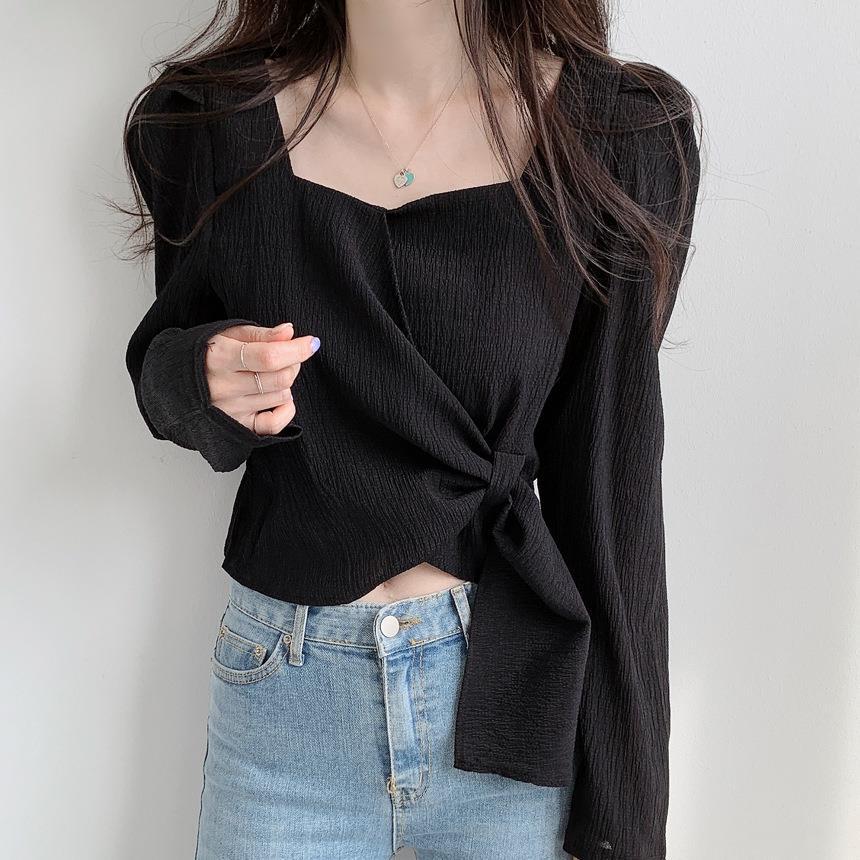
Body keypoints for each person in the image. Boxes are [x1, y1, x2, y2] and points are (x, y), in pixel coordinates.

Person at [122, 2, 701, 857]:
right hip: (286, 696)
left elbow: (610, 489)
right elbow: (164, 362)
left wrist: (625, 818)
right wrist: (206, 375)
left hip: (509, 691)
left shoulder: (614, 135)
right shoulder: (212, 122)